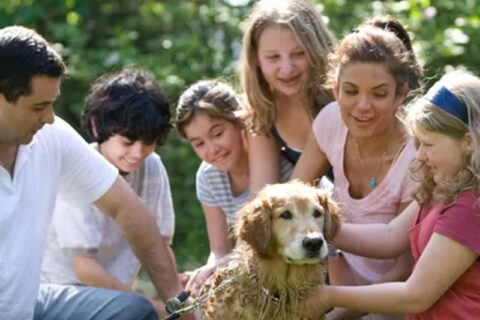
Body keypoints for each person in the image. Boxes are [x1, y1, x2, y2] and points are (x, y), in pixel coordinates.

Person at [0, 26, 194, 320]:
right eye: (39, 107)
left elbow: (128, 209)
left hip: (33, 304)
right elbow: (84, 267)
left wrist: (179, 305)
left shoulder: (51, 136)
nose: (50, 118)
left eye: (52, 105)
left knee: (134, 312)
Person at [312, 69, 480, 320]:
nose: (420, 155)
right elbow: (390, 236)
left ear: (468, 142)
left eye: (429, 144)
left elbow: (415, 296)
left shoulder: (470, 207)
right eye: (418, 143)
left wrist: (324, 295)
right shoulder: (443, 187)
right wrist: (315, 228)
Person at [291, 17, 423, 320]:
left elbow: (405, 268)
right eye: (351, 91)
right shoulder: (330, 120)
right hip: (343, 281)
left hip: (397, 299)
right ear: (336, 89)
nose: (363, 106)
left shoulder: (418, 157)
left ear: (400, 96)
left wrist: (336, 315)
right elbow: (292, 196)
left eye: (378, 94)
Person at [175, 80, 332, 294]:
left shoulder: (283, 166)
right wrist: (209, 272)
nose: (212, 150)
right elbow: (219, 250)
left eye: (218, 134)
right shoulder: (207, 177)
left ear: (241, 123)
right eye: (199, 143)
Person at [40, 67, 175, 315]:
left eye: (148, 143)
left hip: (116, 298)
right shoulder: (79, 167)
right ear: (96, 126)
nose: (137, 153)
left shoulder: (152, 166)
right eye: (128, 142)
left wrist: (179, 302)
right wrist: (155, 308)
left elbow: (160, 249)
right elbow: (85, 269)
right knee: (139, 311)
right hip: (63, 293)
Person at [240, 0, 335, 198]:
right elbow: (262, 195)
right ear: (256, 59)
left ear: (317, 49)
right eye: (273, 57)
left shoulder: (341, 95)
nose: (287, 68)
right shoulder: (263, 113)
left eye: (298, 53)